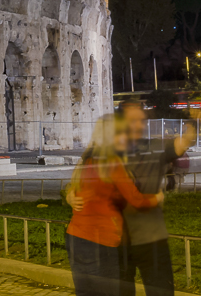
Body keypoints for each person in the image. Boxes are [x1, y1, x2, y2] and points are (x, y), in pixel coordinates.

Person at [65, 113, 162, 295]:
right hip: (102, 239)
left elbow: (76, 186)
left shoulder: (88, 158)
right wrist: (158, 198)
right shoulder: (112, 162)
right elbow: (137, 200)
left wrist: (70, 195)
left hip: (77, 237)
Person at [113, 99, 194, 296]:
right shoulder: (103, 152)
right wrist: (72, 194)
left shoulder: (155, 146)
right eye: (134, 120)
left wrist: (191, 129)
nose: (140, 125)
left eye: (142, 120)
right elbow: (78, 182)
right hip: (117, 238)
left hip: (151, 237)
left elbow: (180, 145)